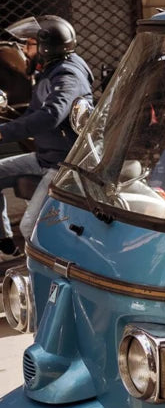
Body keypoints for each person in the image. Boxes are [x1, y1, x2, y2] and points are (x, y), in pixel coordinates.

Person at [0, 15, 94, 257]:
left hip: (65, 164)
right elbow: (33, 113)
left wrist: (3, 134)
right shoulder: (49, 73)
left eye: (28, 45)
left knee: (30, 225)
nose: (24, 50)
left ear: (45, 47)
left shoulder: (67, 76)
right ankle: (5, 243)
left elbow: (51, 115)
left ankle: (51, 273)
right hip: (46, 157)